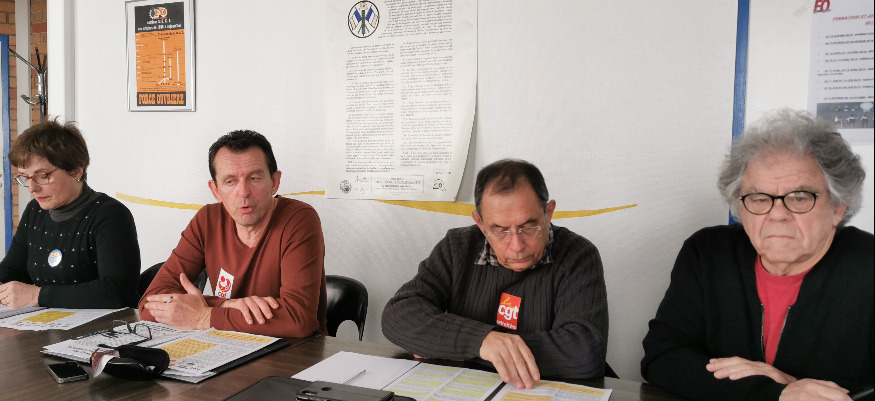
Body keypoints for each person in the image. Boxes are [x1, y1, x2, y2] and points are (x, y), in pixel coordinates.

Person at [641, 109, 873, 401]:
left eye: (799, 197)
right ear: (740, 206)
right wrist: (776, 392)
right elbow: (663, 358)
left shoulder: (867, 266)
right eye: (760, 198)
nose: (777, 214)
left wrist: (790, 384)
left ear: (838, 207)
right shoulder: (708, 253)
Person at [382, 159, 608, 390]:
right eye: (500, 231)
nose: (517, 246)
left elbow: (584, 351)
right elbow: (397, 315)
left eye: (529, 227)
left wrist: (452, 344)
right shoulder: (457, 247)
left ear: (548, 213)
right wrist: (481, 342)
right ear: (480, 224)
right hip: (468, 389)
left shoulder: (578, 255)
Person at [138, 130, 327, 338]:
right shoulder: (207, 220)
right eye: (230, 181)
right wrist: (224, 305)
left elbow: (297, 319)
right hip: (228, 346)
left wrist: (204, 316)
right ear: (215, 190)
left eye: (254, 178)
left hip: (294, 352)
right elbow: (148, 304)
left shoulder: (299, 218)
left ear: (275, 181)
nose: (243, 192)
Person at [0, 120, 140, 308]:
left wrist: (37, 295)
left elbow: (117, 291)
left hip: (102, 324)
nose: (32, 188)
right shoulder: (35, 211)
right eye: (25, 177)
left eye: (43, 176)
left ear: (76, 171)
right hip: (44, 320)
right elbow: (11, 270)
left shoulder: (110, 215)